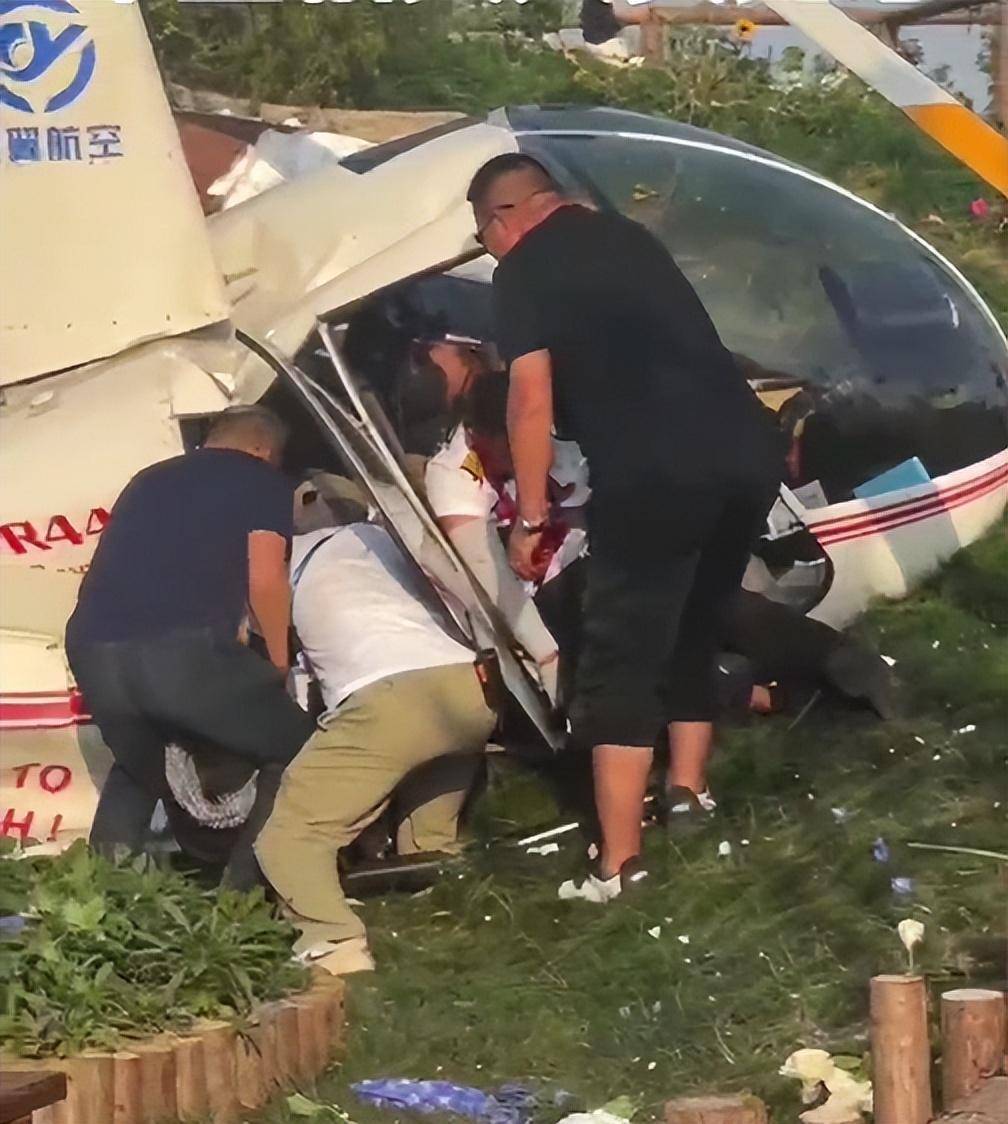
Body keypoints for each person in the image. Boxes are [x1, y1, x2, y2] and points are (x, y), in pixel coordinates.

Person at [467, 153, 784, 897]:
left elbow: (529, 399)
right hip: (747, 452)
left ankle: (617, 864)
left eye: (483, 238)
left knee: (622, 652)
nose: (489, 252)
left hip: (654, 469)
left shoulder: (523, 270)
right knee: (697, 618)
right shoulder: (630, 236)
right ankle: (689, 790)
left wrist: (531, 516)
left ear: (503, 218)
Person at [65, 405, 315, 887]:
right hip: (179, 652)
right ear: (263, 449)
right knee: (298, 749)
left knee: (142, 767)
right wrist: (278, 664)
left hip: (91, 648)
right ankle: (243, 896)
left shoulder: (148, 479)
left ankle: (97, 895)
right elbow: (266, 580)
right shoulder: (261, 479)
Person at [255, 497, 497, 975]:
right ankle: (455, 915)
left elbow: (297, 676)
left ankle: (332, 941)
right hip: (468, 690)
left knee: (292, 834)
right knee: (429, 842)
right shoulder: (384, 539)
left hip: (389, 698)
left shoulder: (284, 562)